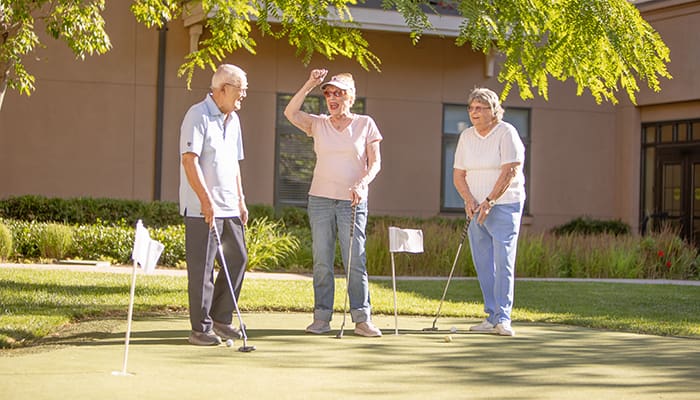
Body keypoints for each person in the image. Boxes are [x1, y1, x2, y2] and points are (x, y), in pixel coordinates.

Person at [284, 69, 383, 337]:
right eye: (328, 93)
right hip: (320, 200)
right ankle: (322, 318)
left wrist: (363, 184)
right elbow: (290, 113)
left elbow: (375, 163)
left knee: (356, 260)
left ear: (350, 97)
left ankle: (362, 319)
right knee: (322, 261)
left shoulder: (365, 124)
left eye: (338, 93)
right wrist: (309, 84)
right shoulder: (318, 123)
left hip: (352, 201)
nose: (332, 97)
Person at [179, 64, 249, 346]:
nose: (243, 95)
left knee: (238, 259)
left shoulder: (233, 120)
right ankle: (201, 328)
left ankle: (221, 318)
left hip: (230, 207)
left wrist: (241, 199)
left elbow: (234, 165)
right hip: (201, 210)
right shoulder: (197, 115)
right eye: (240, 90)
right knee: (203, 270)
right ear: (222, 89)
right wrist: (206, 201)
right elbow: (189, 160)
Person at [452, 87, 526, 337]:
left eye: (480, 108)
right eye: (471, 108)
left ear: (493, 111)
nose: (474, 113)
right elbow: (458, 174)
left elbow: (510, 171)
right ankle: (492, 315)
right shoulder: (467, 137)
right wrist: (470, 200)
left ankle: (503, 318)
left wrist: (489, 201)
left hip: (504, 205)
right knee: (483, 263)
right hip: (476, 208)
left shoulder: (507, 133)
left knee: (503, 260)